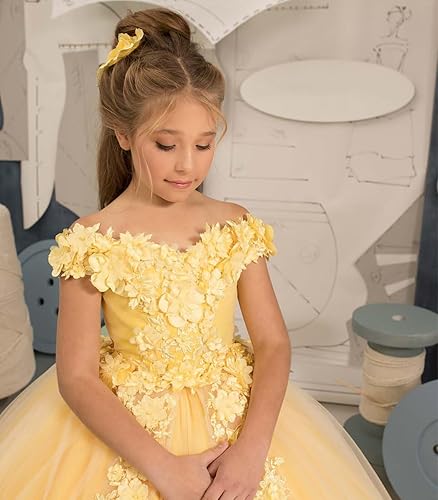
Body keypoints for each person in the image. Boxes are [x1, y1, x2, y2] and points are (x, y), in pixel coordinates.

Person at [0, 7, 391, 499]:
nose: (188, 165)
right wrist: (162, 468)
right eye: (166, 145)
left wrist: (251, 451)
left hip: (235, 427)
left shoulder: (233, 226)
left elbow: (273, 344)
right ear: (124, 135)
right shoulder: (92, 240)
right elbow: (76, 377)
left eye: (204, 146)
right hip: (134, 436)